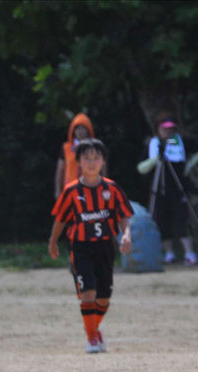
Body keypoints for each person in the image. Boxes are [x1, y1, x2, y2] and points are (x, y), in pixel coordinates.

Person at [48, 138, 134, 353]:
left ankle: (94, 329)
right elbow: (60, 218)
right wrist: (52, 242)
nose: (92, 162)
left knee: (103, 298)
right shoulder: (71, 191)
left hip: (105, 247)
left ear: (103, 161)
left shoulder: (112, 189)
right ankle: (92, 339)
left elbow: (124, 215)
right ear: (79, 162)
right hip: (80, 247)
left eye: (96, 158)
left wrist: (126, 235)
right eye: (87, 158)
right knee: (89, 291)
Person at [137, 116, 198, 265]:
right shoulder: (152, 144)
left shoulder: (181, 142)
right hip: (158, 189)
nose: (168, 131)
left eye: (171, 128)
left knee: (181, 220)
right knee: (161, 221)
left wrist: (190, 165)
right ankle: (169, 254)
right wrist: (157, 157)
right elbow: (141, 168)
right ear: (158, 129)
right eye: (164, 128)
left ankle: (189, 253)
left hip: (178, 188)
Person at [55, 113, 94, 199]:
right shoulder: (66, 148)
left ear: (88, 130)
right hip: (70, 190)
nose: (80, 132)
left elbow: (102, 169)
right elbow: (60, 170)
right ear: (73, 131)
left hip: (90, 190)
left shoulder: (94, 147)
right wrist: (58, 190)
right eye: (78, 129)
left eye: (83, 129)